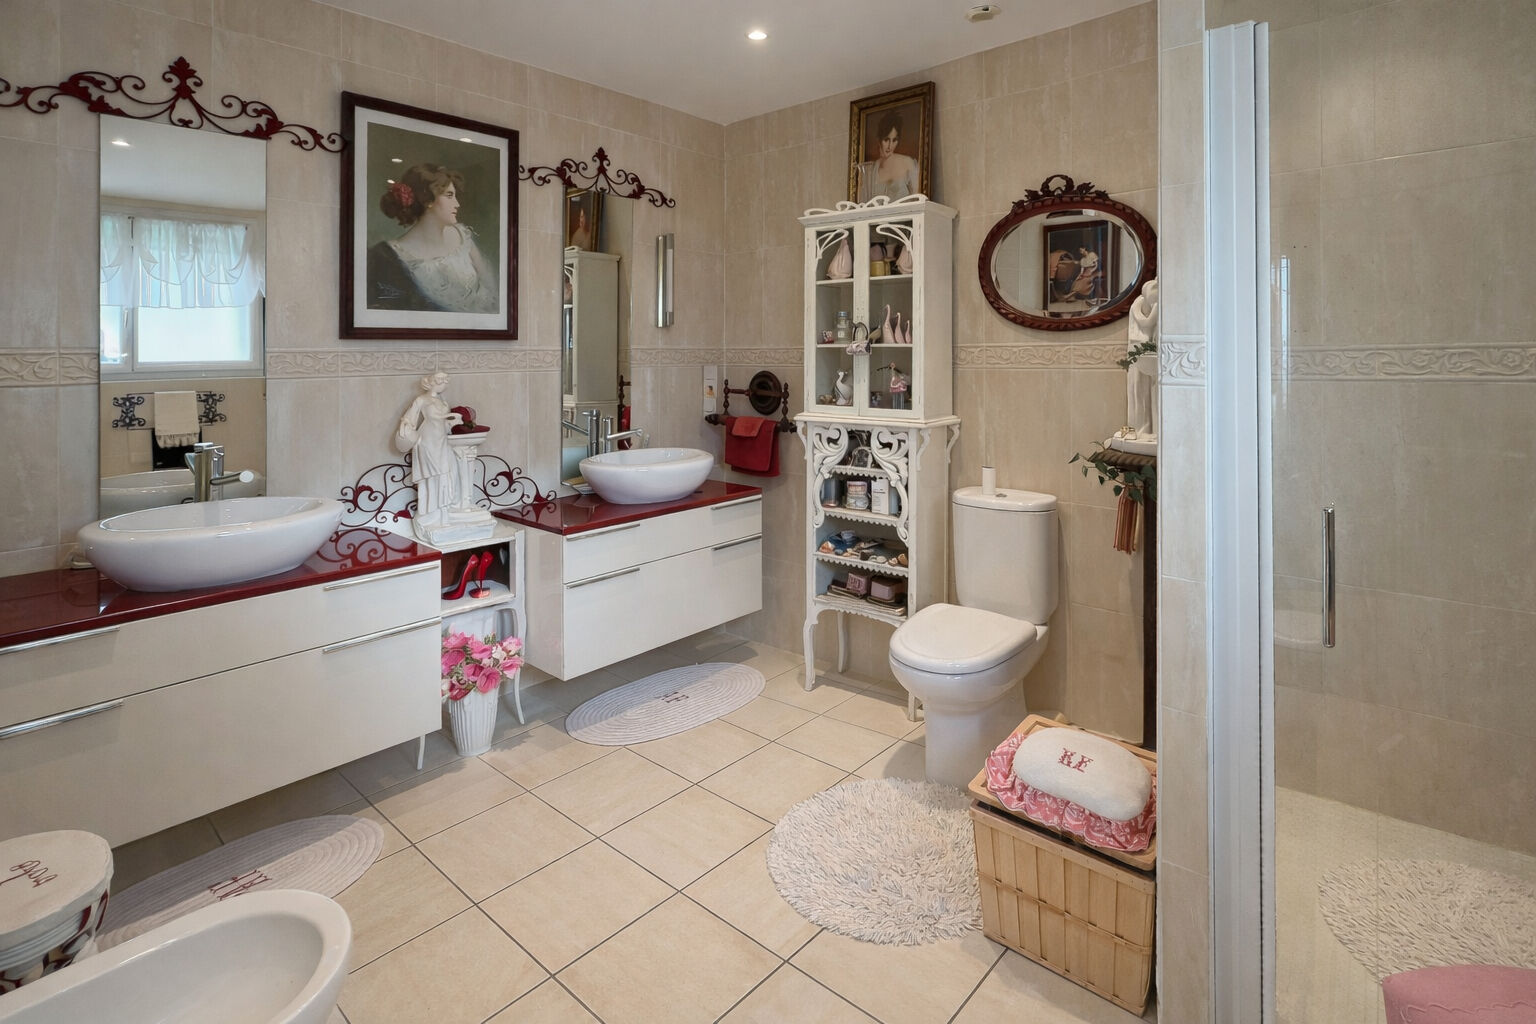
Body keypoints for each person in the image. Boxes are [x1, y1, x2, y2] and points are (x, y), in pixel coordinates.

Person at [368, 164, 498, 314]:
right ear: (428, 200)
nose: (457, 204)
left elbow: (491, 288)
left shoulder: (462, 235)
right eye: (449, 195)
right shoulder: (390, 255)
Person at [395, 371, 463, 526]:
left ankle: (444, 512)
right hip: (428, 441)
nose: (444, 385)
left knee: (449, 473)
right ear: (433, 383)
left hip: (443, 440)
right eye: (442, 382)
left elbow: (445, 424)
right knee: (433, 477)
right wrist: (405, 426)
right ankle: (431, 513)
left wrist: (454, 422)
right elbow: (409, 418)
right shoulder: (422, 399)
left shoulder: (443, 402)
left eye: (445, 382)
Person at [856, 110, 921, 202]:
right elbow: (863, 204)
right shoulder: (870, 171)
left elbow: (919, 200)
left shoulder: (908, 163)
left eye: (894, 140)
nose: (890, 146)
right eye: (886, 140)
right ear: (879, 139)